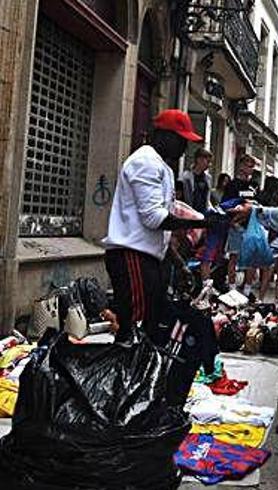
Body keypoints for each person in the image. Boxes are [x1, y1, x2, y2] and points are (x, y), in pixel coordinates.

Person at [103, 109, 219, 342]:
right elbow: (155, 219)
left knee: (150, 325)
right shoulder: (145, 163)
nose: (184, 148)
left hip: (146, 257)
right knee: (133, 329)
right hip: (132, 256)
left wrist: (179, 264)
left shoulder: (162, 167)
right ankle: (127, 373)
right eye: (181, 140)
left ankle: (138, 373)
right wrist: (202, 222)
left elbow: (159, 231)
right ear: (164, 136)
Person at [223, 154, 259, 294]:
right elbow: (225, 204)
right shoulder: (232, 185)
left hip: (250, 225)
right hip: (237, 224)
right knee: (234, 256)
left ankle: (247, 289)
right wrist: (234, 219)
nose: (250, 169)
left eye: (252, 167)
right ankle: (232, 287)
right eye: (248, 166)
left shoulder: (253, 186)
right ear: (241, 166)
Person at [180, 148, 214, 214]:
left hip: (203, 214)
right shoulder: (186, 177)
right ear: (199, 160)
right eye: (208, 161)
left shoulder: (208, 178)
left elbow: (207, 198)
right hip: (189, 213)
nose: (209, 165)